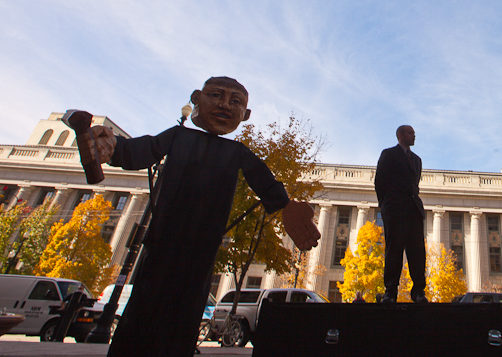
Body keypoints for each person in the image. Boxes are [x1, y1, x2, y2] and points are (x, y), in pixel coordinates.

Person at [83, 77, 321, 357]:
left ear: (245, 115)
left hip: (203, 248)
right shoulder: (178, 136)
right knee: (146, 302)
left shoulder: (237, 153)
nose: (224, 105)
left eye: (235, 101)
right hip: (163, 241)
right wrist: (109, 146)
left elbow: (264, 182)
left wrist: (286, 206)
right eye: (216, 96)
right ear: (197, 98)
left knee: (186, 310)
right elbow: (138, 150)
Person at [374, 125, 427, 303]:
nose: (414, 135)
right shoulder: (388, 154)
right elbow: (380, 181)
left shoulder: (417, 160)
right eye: (411, 132)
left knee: (417, 251)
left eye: (414, 132)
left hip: (413, 210)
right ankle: (390, 292)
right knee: (394, 250)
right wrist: (385, 205)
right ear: (400, 136)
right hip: (395, 210)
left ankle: (419, 291)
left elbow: (414, 185)